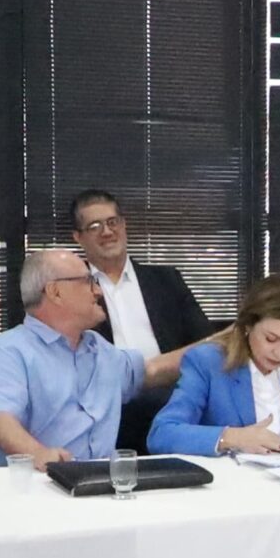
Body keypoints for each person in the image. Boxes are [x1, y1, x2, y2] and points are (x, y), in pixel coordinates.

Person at [0, 249, 153, 467]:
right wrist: (38, 454)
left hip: (96, 487)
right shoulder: (7, 352)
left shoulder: (101, 349)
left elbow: (151, 370)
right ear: (55, 292)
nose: (97, 290)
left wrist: (206, 345)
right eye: (88, 281)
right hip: (26, 488)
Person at [148, 275, 280, 457]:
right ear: (248, 325)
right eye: (271, 339)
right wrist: (232, 437)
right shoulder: (207, 362)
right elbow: (161, 434)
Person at [70, 190, 206, 449]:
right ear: (78, 237)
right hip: (108, 406)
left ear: (124, 225)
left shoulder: (166, 280)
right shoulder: (73, 291)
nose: (107, 232)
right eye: (95, 226)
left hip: (171, 400)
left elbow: (205, 344)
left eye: (113, 222)